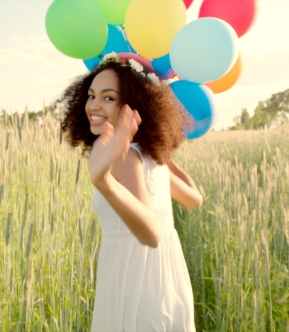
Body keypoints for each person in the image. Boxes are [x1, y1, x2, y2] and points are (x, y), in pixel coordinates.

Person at [57, 53, 203, 331]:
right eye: (91, 95)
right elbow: (194, 200)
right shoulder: (148, 156)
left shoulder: (125, 158)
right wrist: (166, 154)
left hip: (133, 287)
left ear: (132, 105)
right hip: (167, 284)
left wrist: (103, 181)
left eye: (108, 97)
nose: (94, 106)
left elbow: (150, 234)